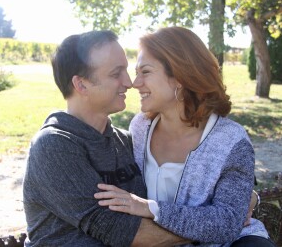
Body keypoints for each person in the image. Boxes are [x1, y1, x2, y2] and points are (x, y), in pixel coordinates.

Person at [94, 27, 275, 246]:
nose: (135, 82)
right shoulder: (140, 128)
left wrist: (150, 207)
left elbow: (227, 223)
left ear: (179, 77)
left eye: (146, 72)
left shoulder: (231, 141)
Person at [22, 30, 190, 246]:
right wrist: (215, 228)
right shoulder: (53, 145)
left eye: (126, 71)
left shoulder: (127, 141)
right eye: (115, 74)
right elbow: (120, 231)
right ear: (81, 85)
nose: (129, 82)